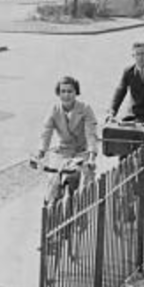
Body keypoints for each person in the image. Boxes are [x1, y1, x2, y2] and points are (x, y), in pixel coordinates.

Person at [35, 75, 98, 204]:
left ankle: (84, 211)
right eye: (63, 91)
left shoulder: (85, 109)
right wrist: (40, 152)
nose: (66, 95)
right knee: (53, 182)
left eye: (70, 91)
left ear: (76, 92)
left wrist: (92, 155)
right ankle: (51, 210)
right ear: (58, 93)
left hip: (81, 152)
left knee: (86, 181)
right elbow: (46, 131)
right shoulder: (54, 109)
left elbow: (91, 133)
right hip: (62, 151)